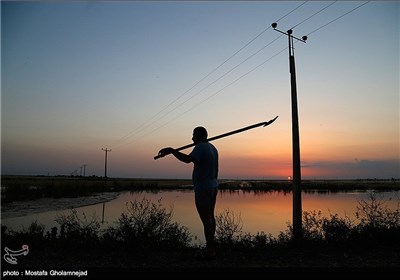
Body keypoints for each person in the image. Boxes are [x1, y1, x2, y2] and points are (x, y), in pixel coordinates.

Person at [158, 126, 219, 260]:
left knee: (206, 220)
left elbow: (187, 160)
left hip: (203, 188)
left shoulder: (200, 147)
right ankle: (212, 248)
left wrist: (171, 151)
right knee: (210, 218)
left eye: (194, 135)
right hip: (213, 187)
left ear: (201, 136)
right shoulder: (213, 148)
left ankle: (210, 251)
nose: (192, 138)